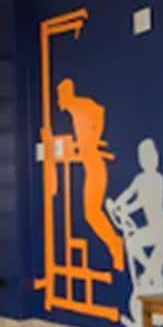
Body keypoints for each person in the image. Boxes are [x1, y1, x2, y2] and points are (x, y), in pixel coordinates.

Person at [107, 138, 163, 327]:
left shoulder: (157, 179)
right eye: (145, 157)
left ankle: (158, 307)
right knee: (134, 246)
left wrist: (124, 209)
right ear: (141, 160)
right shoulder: (140, 179)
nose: (150, 160)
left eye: (152, 155)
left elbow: (142, 201)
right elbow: (129, 193)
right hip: (154, 229)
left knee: (148, 265)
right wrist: (116, 204)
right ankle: (151, 282)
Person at [57, 78, 124, 271]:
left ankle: (114, 243)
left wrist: (95, 136)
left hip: (95, 168)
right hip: (91, 166)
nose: (60, 102)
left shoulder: (79, 105)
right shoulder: (73, 109)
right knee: (92, 213)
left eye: (61, 96)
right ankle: (114, 244)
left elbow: (100, 111)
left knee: (92, 213)